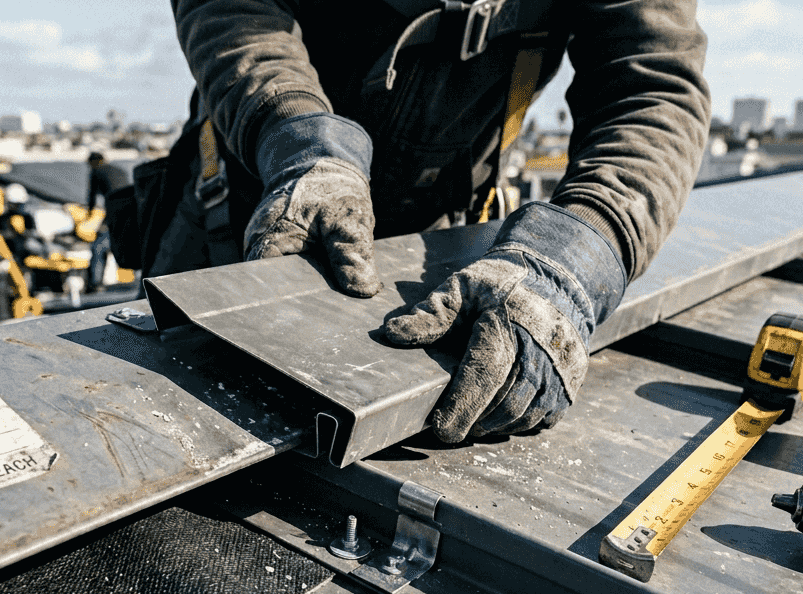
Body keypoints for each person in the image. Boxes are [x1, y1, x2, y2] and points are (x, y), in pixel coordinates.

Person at [124, 0, 710, 443]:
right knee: (161, 427)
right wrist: (302, 141)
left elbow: (652, 85)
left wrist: (576, 255)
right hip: (250, 202)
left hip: (444, 238)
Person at [86, 152, 132, 289]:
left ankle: (95, 283)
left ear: (93, 162)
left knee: (98, 247)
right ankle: (130, 280)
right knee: (125, 246)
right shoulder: (120, 170)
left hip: (115, 214)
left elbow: (93, 197)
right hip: (130, 212)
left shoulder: (97, 171)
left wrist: (89, 216)